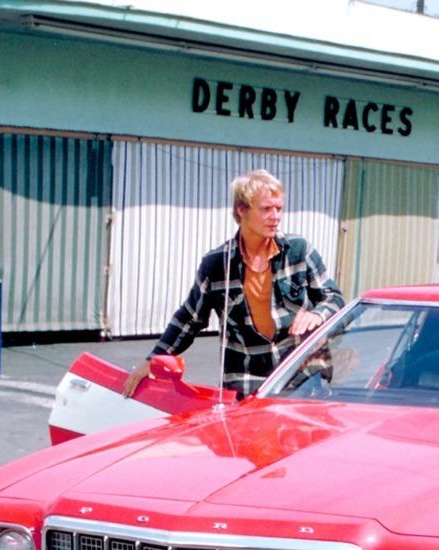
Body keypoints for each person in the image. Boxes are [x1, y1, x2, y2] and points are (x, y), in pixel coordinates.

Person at [123, 169, 342, 399]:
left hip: (302, 376)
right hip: (247, 383)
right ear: (242, 210)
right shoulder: (217, 264)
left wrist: (318, 314)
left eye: (279, 208)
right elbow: (188, 319)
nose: (276, 216)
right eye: (267, 208)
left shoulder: (299, 250)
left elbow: (334, 297)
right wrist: (153, 360)